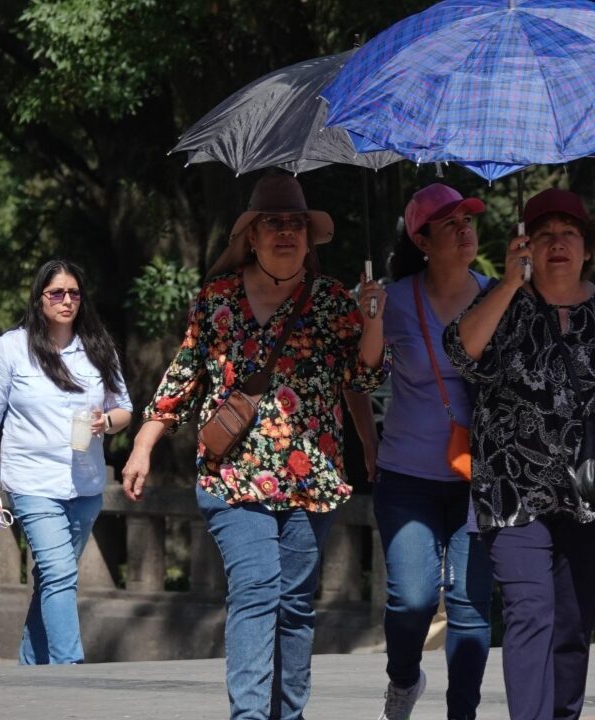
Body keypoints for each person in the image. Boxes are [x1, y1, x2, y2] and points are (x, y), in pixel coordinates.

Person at [121, 174, 388, 720]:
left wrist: (373, 321)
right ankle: (248, 716)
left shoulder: (336, 302)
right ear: (253, 235)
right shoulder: (217, 299)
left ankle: (288, 714)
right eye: (274, 223)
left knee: (295, 606)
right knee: (257, 590)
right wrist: (142, 445)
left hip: (311, 478)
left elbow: (362, 379)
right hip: (232, 477)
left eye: (296, 223)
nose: (286, 232)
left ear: (310, 237)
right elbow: (183, 377)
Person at [443, 188, 595, 720]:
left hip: (588, 494)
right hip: (512, 491)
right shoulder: (504, 303)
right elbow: (461, 352)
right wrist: (507, 283)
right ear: (525, 245)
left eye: (568, 233)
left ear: (587, 246)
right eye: (543, 234)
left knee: (572, 626)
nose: (557, 244)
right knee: (530, 613)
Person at [362, 184, 495, 720]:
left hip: (477, 477)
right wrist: (370, 319)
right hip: (407, 474)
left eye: (469, 221)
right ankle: (403, 680)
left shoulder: (497, 294)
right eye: (450, 225)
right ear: (422, 240)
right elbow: (363, 373)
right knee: (412, 600)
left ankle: (461, 713)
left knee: (468, 606)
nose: (465, 231)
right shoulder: (392, 299)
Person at [0, 259, 133, 665]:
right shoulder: (12, 348)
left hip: (84, 487)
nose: (66, 300)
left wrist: (106, 421)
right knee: (61, 574)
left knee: (51, 579)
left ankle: (29, 669)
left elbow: (125, 408)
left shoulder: (98, 347)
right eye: (56, 293)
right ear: (39, 298)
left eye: (74, 293)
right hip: (31, 482)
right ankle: (71, 669)